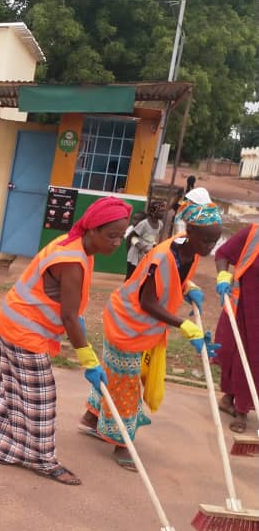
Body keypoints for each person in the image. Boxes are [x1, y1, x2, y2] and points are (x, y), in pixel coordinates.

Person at [0, 197, 131, 486]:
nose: (116, 243)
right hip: (25, 332)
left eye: (121, 236)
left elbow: (70, 309)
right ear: (92, 230)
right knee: (41, 399)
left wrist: (82, 335)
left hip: (12, 325)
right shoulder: (71, 260)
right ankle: (43, 461)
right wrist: (89, 361)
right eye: (111, 236)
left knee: (13, 392)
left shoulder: (75, 246)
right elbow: (69, 318)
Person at [80, 200, 222, 468]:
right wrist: (183, 324)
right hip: (128, 324)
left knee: (116, 376)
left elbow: (172, 280)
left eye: (214, 242)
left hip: (140, 327)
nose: (210, 247)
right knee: (127, 385)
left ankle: (90, 419)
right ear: (189, 232)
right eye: (206, 240)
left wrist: (188, 286)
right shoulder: (163, 256)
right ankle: (121, 444)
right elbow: (148, 302)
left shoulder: (187, 249)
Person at [214, 223, 259, 434]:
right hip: (243, 307)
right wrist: (223, 277)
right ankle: (236, 403)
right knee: (237, 355)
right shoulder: (252, 233)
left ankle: (238, 405)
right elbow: (223, 253)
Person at [125, 200, 165, 279]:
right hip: (135, 255)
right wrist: (139, 247)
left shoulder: (160, 224)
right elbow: (132, 236)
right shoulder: (144, 223)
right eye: (161, 211)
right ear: (154, 211)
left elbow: (151, 238)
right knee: (130, 277)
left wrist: (153, 246)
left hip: (146, 255)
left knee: (141, 278)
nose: (163, 213)